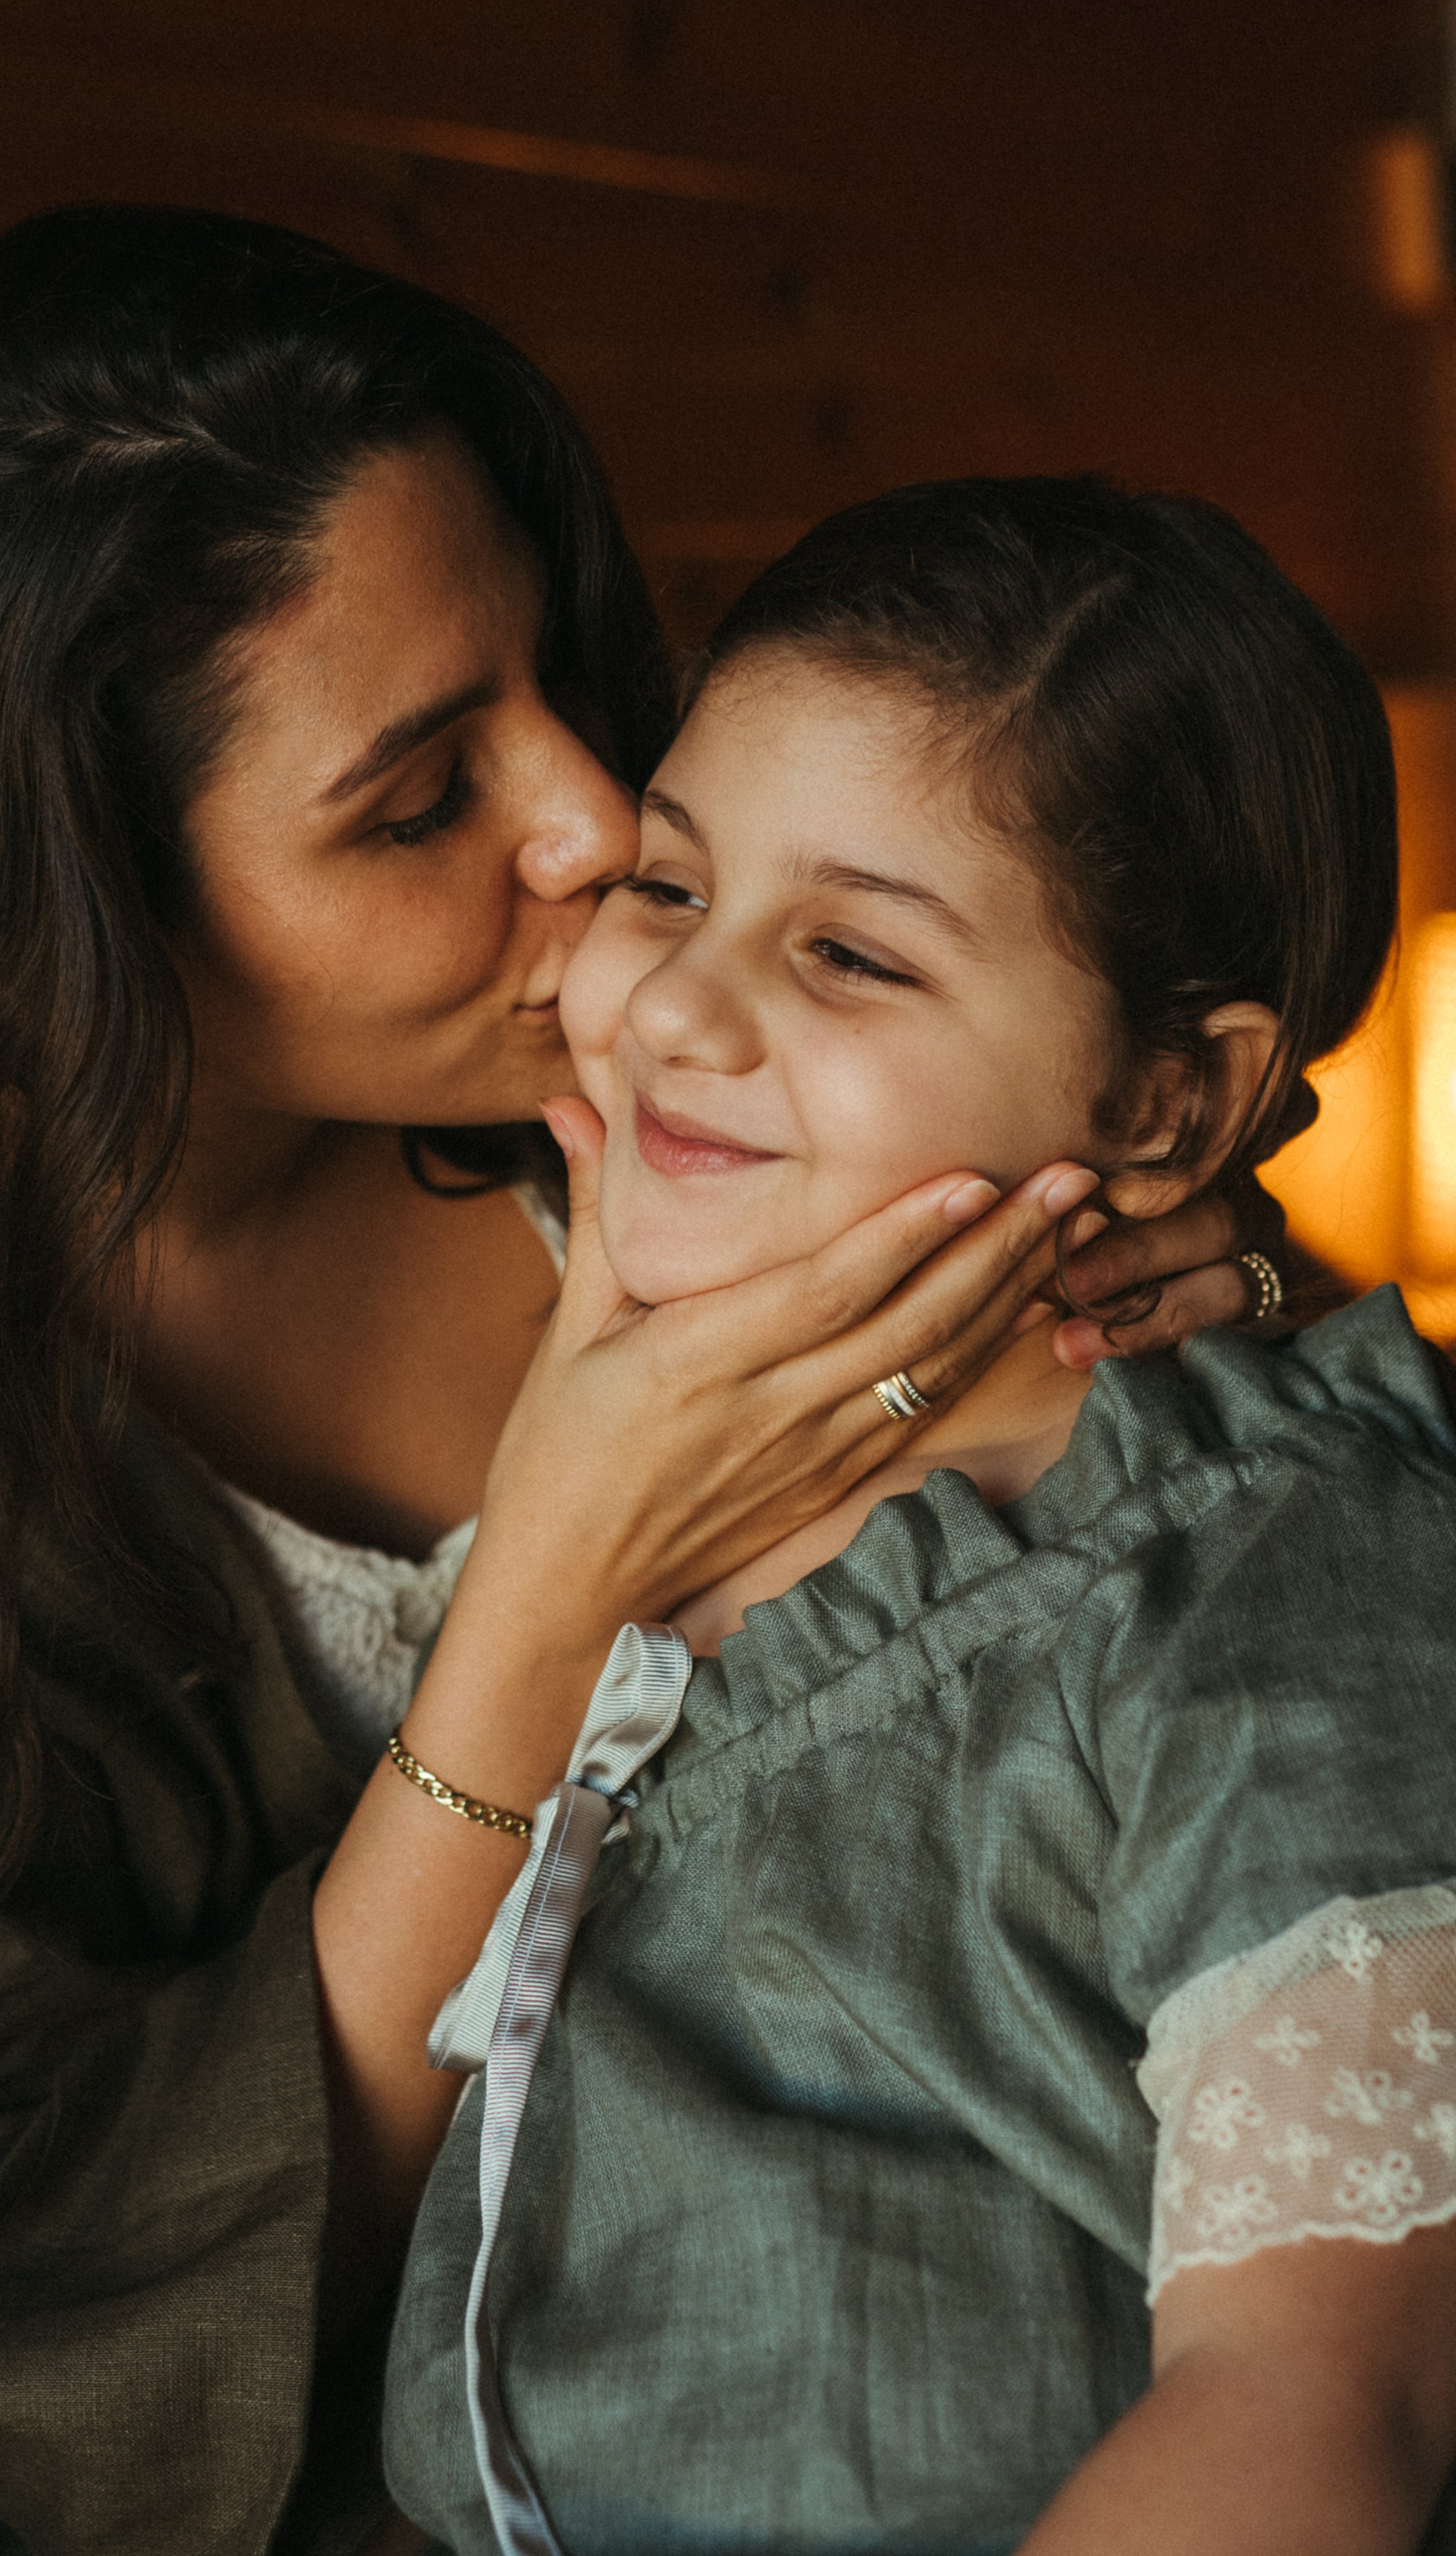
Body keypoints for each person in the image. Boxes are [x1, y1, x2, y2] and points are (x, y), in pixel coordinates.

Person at [0, 208, 1284, 2556]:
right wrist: (544, 1601)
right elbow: (32, 2335)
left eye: (554, 670)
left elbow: (1265, 1597)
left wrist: (1212, 1308)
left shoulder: (684, 1046)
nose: (591, 818)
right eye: (413, 799)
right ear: (46, 906)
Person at [383, 479, 1456, 2555]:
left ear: (1162, 1108)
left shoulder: (1271, 1577)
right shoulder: (601, 1423)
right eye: (671, 887)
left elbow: (1316, 2408)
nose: (683, 1010)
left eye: (853, 953)